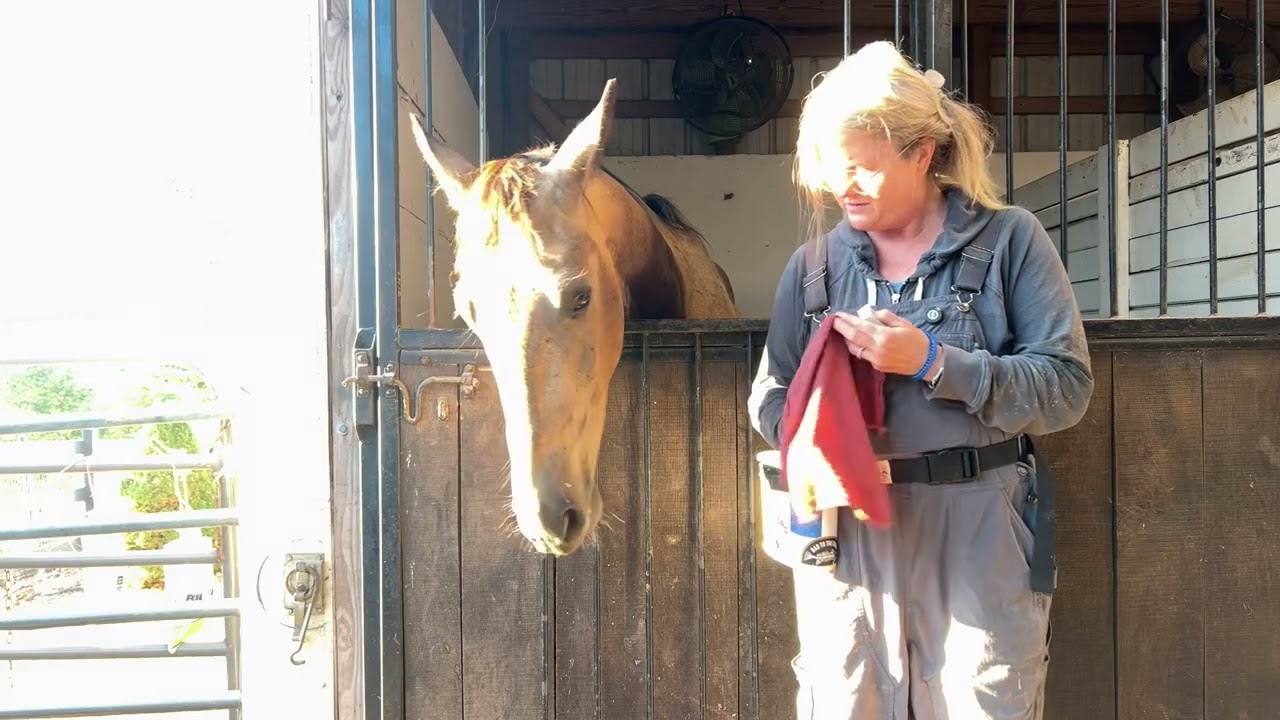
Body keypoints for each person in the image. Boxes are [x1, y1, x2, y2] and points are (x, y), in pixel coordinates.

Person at [748, 41, 1094, 720]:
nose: (841, 185)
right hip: (845, 539)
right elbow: (770, 397)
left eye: (863, 168)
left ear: (924, 152)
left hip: (978, 526)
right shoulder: (812, 268)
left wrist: (934, 363)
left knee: (986, 705)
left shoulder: (1010, 242)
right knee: (845, 705)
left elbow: (1065, 387)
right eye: (830, 166)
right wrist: (816, 432)